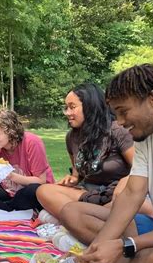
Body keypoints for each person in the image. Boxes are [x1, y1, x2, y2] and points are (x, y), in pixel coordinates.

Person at [61, 64, 153, 263]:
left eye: (123, 111)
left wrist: (126, 246)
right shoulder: (147, 137)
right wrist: (100, 247)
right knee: (71, 212)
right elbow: (132, 192)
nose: (119, 121)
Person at [36, 83, 142, 220]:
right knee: (43, 191)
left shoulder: (117, 130)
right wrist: (73, 179)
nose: (67, 113)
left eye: (72, 107)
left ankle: (81, 219)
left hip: (115, 194)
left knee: (51, 213)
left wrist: (124, 184)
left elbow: (141, 170)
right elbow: (77, 174)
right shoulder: (71, 137)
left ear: (90, 106)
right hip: (87, 194)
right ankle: (87, 218)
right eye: (66, 108)